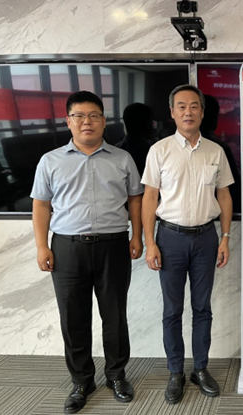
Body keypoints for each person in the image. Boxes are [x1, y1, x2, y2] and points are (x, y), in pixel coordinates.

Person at [31, 91, 143, 414]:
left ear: (104, 121)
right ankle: (81, 380)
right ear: (68, 122)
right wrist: (42, 246)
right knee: (73, 318)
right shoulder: (50, 161)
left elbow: (135, 199)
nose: (87, 122)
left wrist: (137, 236)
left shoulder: (122, 159)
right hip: (67, 248)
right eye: (79, 116)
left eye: (94, 116)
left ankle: (116, 375)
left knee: (115, 316)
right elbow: (41, 205)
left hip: (113, 245)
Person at [141, 85, 234, 405]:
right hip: (169, 239)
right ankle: (175, 372)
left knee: (202, 308)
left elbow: (224, 195)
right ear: (172, 112)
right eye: (181, 106)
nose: (188, 112)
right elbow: (149, 198)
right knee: (172, 310)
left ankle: (201, 369)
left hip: (206, 239)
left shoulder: (215, 151)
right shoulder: (160, 150)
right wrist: (150, 243)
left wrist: (225, 237)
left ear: (202, 112)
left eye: (194, 106)